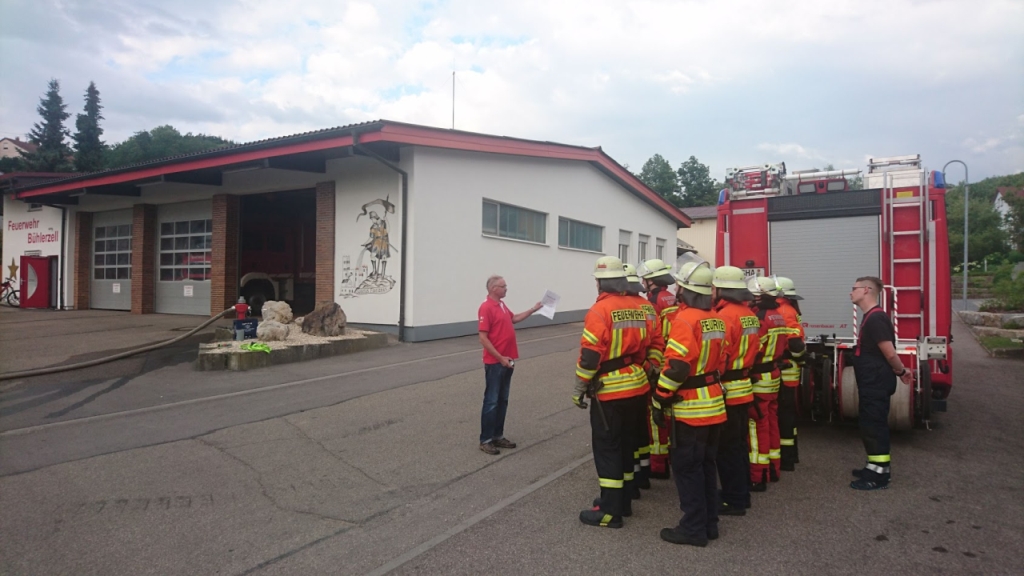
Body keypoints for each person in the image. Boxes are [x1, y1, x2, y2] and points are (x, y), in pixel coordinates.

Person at [573, 257, 652, 528]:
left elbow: (590, 356)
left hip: (610, 391)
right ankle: (624, 500)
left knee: (608, 449)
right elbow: (652, 343)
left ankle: (610, 512)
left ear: (599, 282)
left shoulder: (600, 310)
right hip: (638, 384)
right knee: (627, 445)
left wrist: (579, 387)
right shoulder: (640, 307)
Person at [653, 262, 727, 547]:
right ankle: (709, 524)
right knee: (707, 467)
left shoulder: (685, 320)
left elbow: (677, 368)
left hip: (691, 409)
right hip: (714, 404)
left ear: (683, 288)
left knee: (687, 469)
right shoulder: (716, 319)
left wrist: (660, 398)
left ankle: (693, 528)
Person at [849, 276, 914, 490]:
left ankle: (879, 477)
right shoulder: (871, 317)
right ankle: (872, 466)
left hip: (876, 382)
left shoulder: (876, 319)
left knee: (874, 427)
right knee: (869, 424)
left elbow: (889, 352)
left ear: (866, 290)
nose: (851, 292)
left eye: (854, 288)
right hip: (871, 382)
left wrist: (901, 370)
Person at [712, 266, 759, 516]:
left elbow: (722, 355)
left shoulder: (725, 316)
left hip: (728, 388)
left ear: (721, 289)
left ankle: (734, 499)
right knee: (739, 444)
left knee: (727, 447)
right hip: (744, 386)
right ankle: (742, 492)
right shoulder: (748, 314)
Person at [478, 275, 542, 455]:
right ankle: (486, 439)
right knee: (491, 401)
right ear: (492, 288)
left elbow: (514, 319)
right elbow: (483, 338)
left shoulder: (501, 305)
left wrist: (533, 309)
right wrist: (499, 358)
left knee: (502, 400)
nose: (506, 288)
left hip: (507, 360)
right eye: (503, 286)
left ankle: (497, 435)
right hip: (496, 362)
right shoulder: (486, 307)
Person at [746, 276, 790, 491]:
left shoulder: (761, 318)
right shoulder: (778, 316)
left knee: (756, 425)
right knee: (771, 421)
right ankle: (773, 467)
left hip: (759, 378)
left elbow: (753, 350)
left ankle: (757, 474)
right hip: (773, 375)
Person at [624, 263, 664, 492]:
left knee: (629, 431)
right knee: (642, 427)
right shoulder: (648, 305)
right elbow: (657, 340)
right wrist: (654, 365)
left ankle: (634, 479)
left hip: (632, 374)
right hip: (648, 372)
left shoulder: (625, 308)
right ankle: (644, 473)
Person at [637, 258, 677, 479]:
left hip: (659, 362)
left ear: (651, 281)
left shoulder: (652, 302)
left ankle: (658, 464)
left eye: (645, 278)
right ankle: (670, 454)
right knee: (669, 414)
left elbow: (651, 334)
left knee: (654, 416)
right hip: (675, 361)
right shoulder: (672, 297)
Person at [775, 276, 806, 472]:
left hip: (784, 369)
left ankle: (786, 458)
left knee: (783, 414)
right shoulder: (791, 308)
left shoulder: (782, 310)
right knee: (789, 413)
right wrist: (800, 359)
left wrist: (795, 357)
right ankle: (791, 453)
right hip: (791, 368)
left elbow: (795, 343)